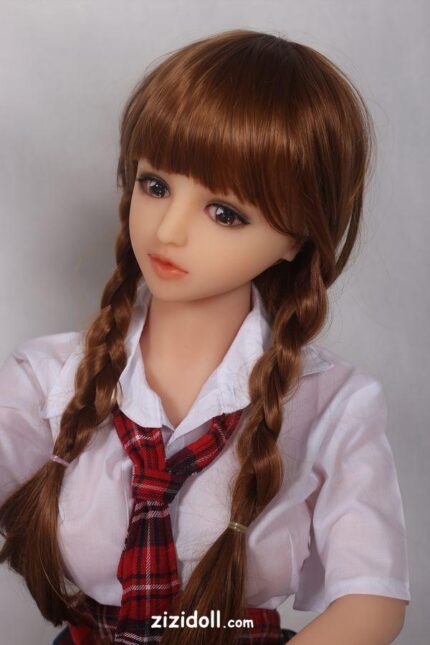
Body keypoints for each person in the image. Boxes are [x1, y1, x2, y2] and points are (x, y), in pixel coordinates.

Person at [0, 28, 410, 645]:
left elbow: (372, 601)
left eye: (225, 213)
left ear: (296, 239)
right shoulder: (47, 379)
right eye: (155, 185)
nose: (168, 230)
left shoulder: (334, 405)